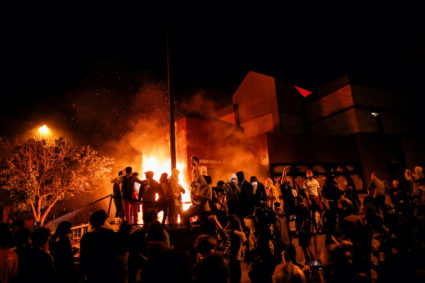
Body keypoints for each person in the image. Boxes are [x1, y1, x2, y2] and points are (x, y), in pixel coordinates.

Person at [80, 209, 120, 282]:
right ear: (104, 221)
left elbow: (83, 256)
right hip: (108, 269)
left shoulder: (86, 237)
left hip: (93, 270)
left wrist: (82, 273)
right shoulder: (110, 234)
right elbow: (116, 251)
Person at [224, 215, 247, 283]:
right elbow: (245, 242)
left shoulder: (226, 232)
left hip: (226, 259)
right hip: (236, 258)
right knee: (236, 278)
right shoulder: (240, 234)